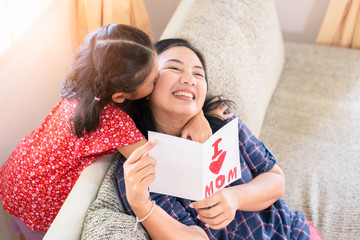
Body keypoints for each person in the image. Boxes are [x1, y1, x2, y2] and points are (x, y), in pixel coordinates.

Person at [0, 25, 211, 239]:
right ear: (120, 96)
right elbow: (159, 164)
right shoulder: (114, 123)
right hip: (39, 198)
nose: (159, 81)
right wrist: (195, 113)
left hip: (17, 172)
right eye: (154, 81)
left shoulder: (83, 84)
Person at [115, 38, 323, 239]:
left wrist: (234, 198)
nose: (189, 79)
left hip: (290, 231)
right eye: (174, 68)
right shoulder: (140, 166)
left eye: (199, 74)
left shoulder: (221, 119)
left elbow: (276, 181)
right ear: (147, 84)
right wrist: (142, 206)